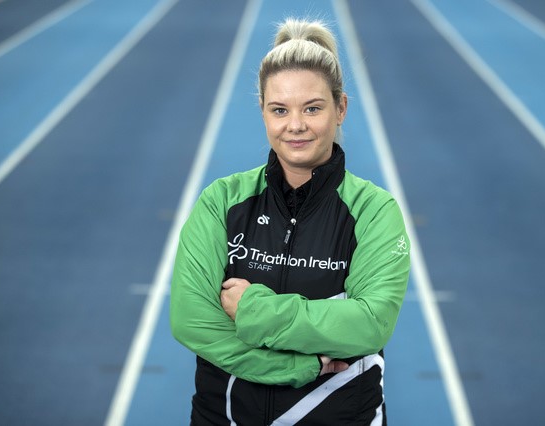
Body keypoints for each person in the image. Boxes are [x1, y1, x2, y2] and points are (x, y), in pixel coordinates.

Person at [170, 18, 410, 425]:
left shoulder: (374, 211)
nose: (295, 125)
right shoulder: (221, 201)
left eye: (312, 108)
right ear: (263, 112)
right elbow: (192, 321)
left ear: (341, 108)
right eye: (279, 110)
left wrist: (254, 309)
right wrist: (296, 367)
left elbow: (369, 325)